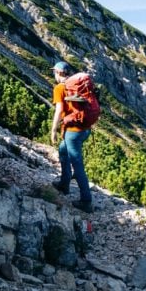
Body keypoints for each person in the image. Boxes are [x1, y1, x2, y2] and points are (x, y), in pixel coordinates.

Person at [50, 61, 94, 213]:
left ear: (59, 73)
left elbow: (59, 110)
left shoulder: (60, 88)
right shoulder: (79, 86)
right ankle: (64, 183)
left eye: (54, 72)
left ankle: (86, 201)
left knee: (77, 165)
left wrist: (53, 129)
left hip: (73, 132)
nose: (54, 75)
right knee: (63, 150)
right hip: (86, 130)